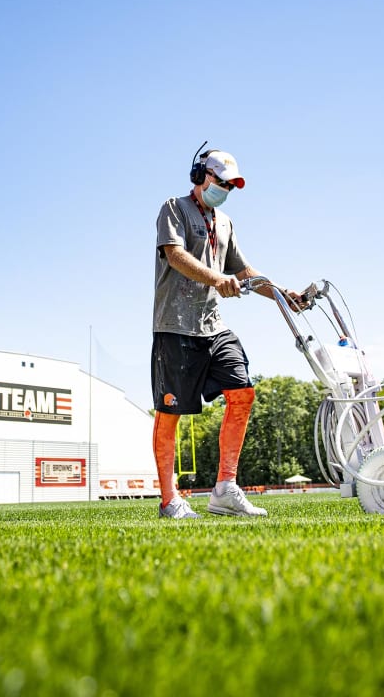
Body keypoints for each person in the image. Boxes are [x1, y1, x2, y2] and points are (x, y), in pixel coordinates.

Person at [151, 145, 299, 519]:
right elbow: (174, 254)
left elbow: (245, 272)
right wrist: (217, 279)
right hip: (176, 326)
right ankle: (170, 501)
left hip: (214, 327)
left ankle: (224, 490)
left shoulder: (225, 222)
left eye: (231, 186)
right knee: (170, 414)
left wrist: (284, 295)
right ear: (201, 176)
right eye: (221, 182)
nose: (226, 190)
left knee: (242, 393)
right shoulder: (174, 208)